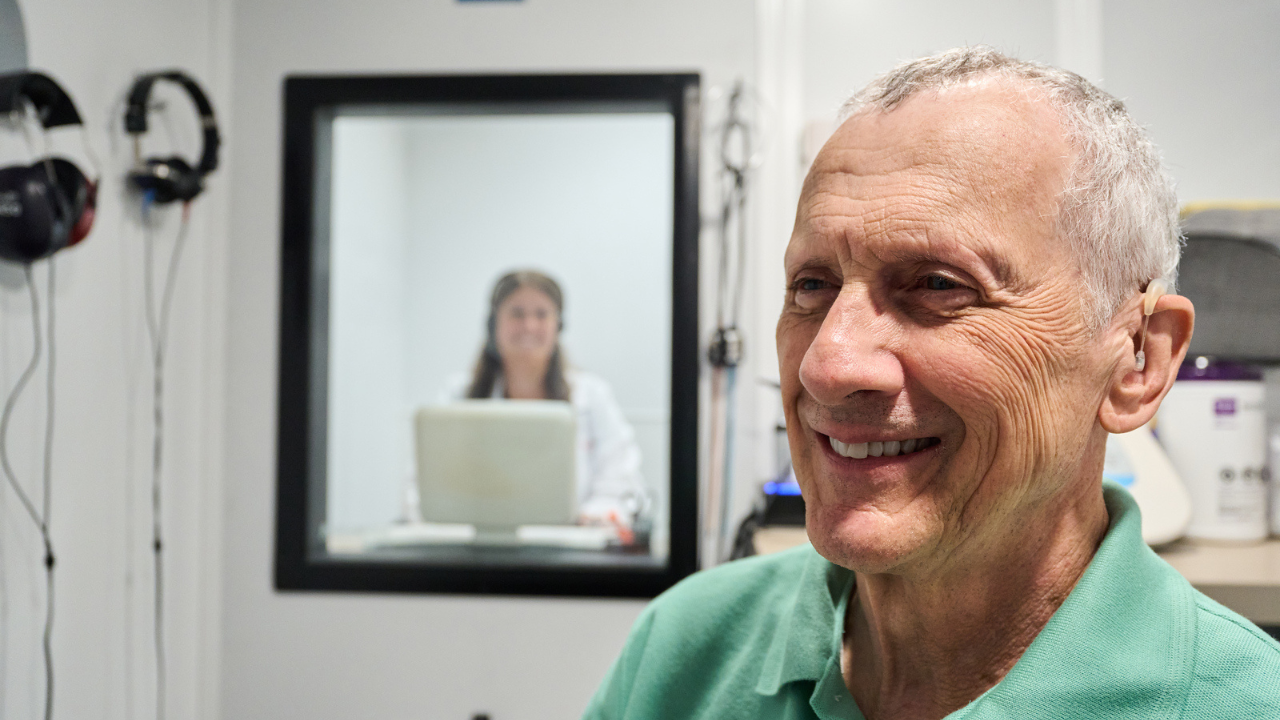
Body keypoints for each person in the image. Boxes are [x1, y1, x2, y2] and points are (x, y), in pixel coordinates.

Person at [583, 47, 1280, 719]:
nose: (827, 366)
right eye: (812, 285)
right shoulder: (685, 651)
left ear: (1137, 362)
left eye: (939, 285)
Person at [442, 269, 647, 528]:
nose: (529, 326)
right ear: (494, 324)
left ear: (558, 326)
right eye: (517, 314)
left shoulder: (592, 396)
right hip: (480, 542)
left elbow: (621, 477)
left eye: (541, 314)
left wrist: (596, 514)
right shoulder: (458, 395)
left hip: (572, 542)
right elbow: (425, 482)